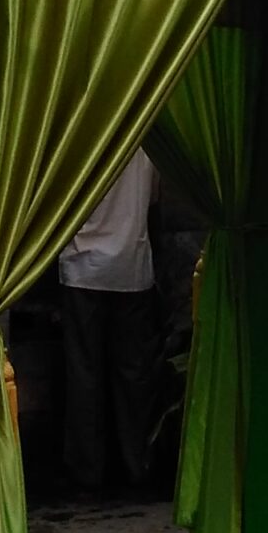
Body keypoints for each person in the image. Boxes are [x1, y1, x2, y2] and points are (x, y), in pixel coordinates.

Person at [58, 150, 160, 500]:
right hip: (132, 265)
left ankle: (86, 470)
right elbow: (154, 198)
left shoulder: (80, 137)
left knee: (84, 373)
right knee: (134, 372)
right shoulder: (144, 143)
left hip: (81, 265)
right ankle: (137, 463)